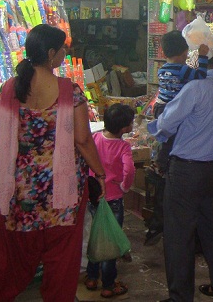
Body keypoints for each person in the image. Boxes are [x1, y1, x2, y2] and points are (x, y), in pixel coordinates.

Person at [0, 24, 106, 302]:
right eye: (63, 50)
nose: (64, 54)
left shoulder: (9, 89)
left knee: (12, 257)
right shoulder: (68, 91)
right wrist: (100, 172)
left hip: (20, 192)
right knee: (61, 259)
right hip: (61, 193)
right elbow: (84, 141)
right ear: (52, 53)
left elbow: (2, 141)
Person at [148, 27, 213, 302]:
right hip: (212, 170)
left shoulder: (197, 88)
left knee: (179, 234)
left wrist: (156, 127)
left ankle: (180, 296)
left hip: (186, 169)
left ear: (205, 55)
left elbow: (166, 125)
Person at [145, 31, 209, 246]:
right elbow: (200, 76)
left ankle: (158, 162)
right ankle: (162, 162)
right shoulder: (183, 70)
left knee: (165, 139)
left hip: (161, 108)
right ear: (184, 52)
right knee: (173, 142)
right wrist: (203, 56)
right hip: (174, 110)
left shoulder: (163, 70)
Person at [84, 103, 136, 297]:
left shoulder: (95, 138)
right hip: (113, 199)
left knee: (97, 236)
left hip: (95, 197)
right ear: (124, 128)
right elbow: (129, 170)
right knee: (110, 242)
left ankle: (91, 277)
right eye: (131, 123)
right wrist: (124, 186)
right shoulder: (123, 146)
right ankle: (108, 284)